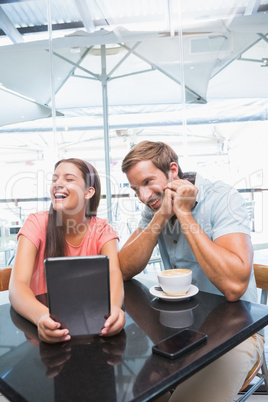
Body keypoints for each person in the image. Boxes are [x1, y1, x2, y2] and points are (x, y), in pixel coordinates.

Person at [119, 141, 264, 402]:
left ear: (172, 171)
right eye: (135, 189)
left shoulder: (223, 198)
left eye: (148, 182)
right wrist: (161, 216)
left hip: (237, 333)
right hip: (179, 334)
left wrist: (184, 214)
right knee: (137, 396)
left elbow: (234, 287)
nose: (142, 196)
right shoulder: (154, 206)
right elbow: (123, 268)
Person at [9, 158, 125, 344]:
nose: (58, 184)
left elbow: (114, 273)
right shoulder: (36, 223)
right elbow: (17, 286)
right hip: (42, 329)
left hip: (91, 329)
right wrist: (42, 318)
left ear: (89, 192)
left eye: (69, 179)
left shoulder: (103, 230)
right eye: (54, 179)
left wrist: (113, 310)